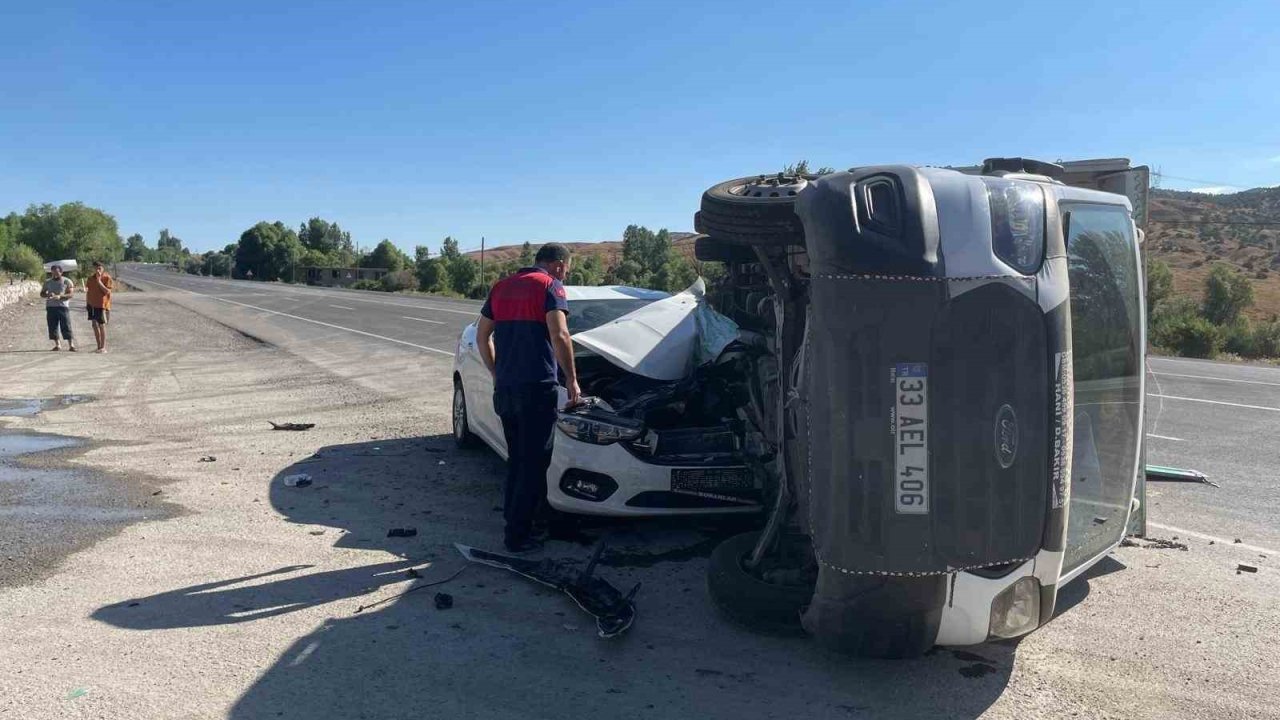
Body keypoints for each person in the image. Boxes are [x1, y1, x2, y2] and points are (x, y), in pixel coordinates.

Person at [476, 243, 580, 553]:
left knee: (518, 460)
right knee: (534, 464)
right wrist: (572, 380)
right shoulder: (551, 286)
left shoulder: (501, 287)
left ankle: (520, 520)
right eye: (566, 270)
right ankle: (518, 536)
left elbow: (482, 336)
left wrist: (496, 373)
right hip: (537, 388)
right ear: (559, 265)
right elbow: (560, 335)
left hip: (506, 389)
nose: (565, 275)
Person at [41, 265, 76, 352]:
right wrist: (47, 295)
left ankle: (71, 345)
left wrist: (60, 296)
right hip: (51, 307)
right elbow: (42, 293)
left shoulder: (67, 281)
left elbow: (71, 294)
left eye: (57, 272)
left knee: (66, 325)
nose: (55, 274)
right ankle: (58, 345)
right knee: (52, 326)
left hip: (63, 307)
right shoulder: (47, 282)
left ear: (61, 272)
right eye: (53, 273)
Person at [85, 261, 114, 353]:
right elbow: (88, 291)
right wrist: (87, 303)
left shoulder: (107, 278)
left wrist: (99, 281)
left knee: (101, 325)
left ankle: (103, 347)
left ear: (103, 268)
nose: (97, 270)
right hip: (91, 304)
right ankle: (98, 347)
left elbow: (107, 291)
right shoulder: (90, 279)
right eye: (96, 268)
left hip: (101, 305)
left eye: (99, 268)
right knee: (94, 325)